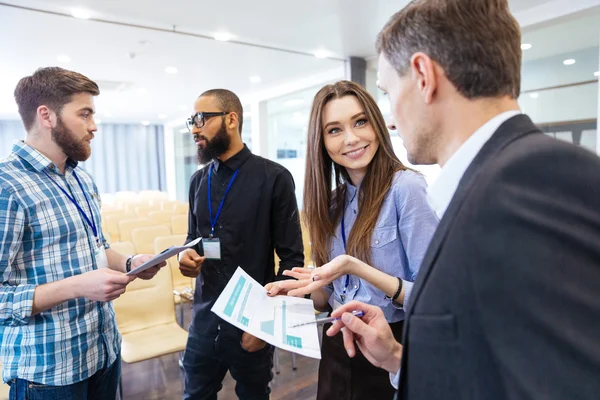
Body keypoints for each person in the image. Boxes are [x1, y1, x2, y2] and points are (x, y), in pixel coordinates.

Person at [326, 0, 600, 399]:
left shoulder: (532, 180)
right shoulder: (491, 181)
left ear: (423, 76)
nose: (390, 118)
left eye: (388, 93)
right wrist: (399, 360)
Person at [0, 67, 166, 400]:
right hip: (49, 373)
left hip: (102, 351)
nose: (93, 126)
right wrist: (78, 286)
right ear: (46, 116)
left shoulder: (81, 179)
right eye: (84, 114)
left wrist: (131, 262)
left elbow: (96, 247)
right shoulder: (7, 187)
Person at [266, 80, 438, 400]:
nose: (352, 138)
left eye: (360, 122)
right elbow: (327, 297)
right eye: (334, 130)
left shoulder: (407, 189)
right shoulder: (332, 203)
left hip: (389, 346)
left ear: (377, 125)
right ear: (321, 142)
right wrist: (300, 291)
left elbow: (434, 299)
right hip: (336, 347)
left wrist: (354, 267)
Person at [178, 88, 304, 400]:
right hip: (205, 318)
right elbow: (192, 242)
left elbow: (291, 262)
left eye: (201, 119)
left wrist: (265, 325)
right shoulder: (198, 181)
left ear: (231, 119)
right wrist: (186, 259)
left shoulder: (274, 177)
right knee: (194, 394)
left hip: (251, 320)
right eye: (191, 121)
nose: (194, 128)